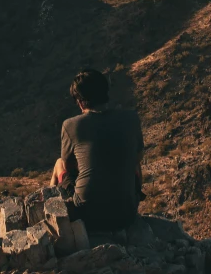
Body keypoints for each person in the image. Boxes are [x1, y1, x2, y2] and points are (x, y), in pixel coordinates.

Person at [50, 69, 144, 232]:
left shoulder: (71, 125)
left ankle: (51, 215)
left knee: (59, 164)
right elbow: (137, 158)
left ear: (79, 101)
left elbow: (68, 166)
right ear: (106, 92)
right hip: (126, 215)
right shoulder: (131, 118)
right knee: (134, 163)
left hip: (88, 216)